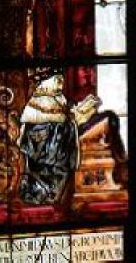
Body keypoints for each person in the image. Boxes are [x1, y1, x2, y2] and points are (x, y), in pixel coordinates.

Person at [18, 69, 79, 205]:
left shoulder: (59, 98)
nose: (60, 84)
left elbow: (61, 120)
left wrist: (70, 121)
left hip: (57, 153)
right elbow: (34, 134)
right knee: (43, 174)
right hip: (44, 154)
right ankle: (42, 195)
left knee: (59, 174)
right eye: (57, 80)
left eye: (61, 80)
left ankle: (51, 196)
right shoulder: (40, 100)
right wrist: (62, 126)